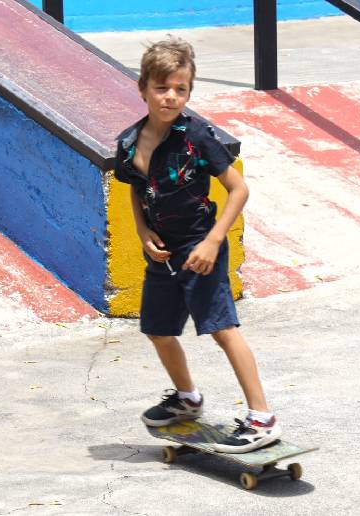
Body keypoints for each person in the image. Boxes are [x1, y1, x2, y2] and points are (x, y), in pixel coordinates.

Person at [113, 36, 281, 453]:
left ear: (189, 92)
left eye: (181, 89)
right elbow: (136, 187)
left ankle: (262, 417)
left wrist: (213, 240)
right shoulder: (129, 142)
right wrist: (141, 231)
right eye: (162, 88)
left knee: (222, 329)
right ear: (143, 89)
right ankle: (187, 399)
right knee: (157, 330)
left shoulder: (197, 136)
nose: (171, 97)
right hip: (162, 253)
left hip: (201, 246)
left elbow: (238, 189)